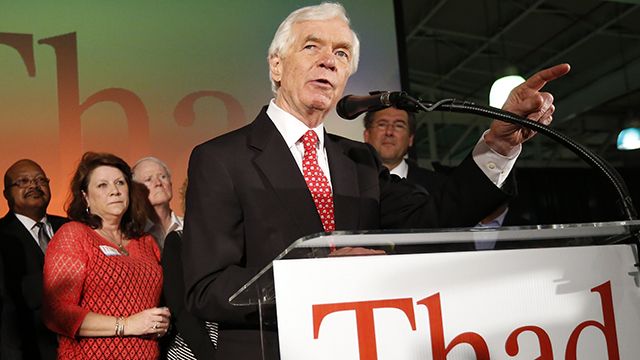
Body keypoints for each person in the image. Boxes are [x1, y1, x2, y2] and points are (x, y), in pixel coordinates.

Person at [182, 3, 570, 358]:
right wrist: (311, 277)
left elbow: (438, 214)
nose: (329, 62)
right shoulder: (221, 159)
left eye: (341, 53)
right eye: (312, 47)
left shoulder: (358, 160)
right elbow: (207, 290)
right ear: (276, 65)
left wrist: (498, 144)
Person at [41, 152, 170, 359]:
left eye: (120, 183)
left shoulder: (146, 242)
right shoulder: (74, 234)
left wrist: (162, 323)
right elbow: (56, 312)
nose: (115, 191)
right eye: (102, 185)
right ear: (85, 196)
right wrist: (127, 325)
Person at [0, 159, 68, 360]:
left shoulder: (72, 228)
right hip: (29, 351)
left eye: (40, 180)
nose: (33, 185)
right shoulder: (2, 236)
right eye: (22, 181)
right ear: (6, 194)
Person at [363, 106, 447, 193]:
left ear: (410, 139)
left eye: (399, 126)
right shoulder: (350, 180)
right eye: (382, 124)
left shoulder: (440, 187)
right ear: (367, 135)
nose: (389, 132)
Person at [132, 157, 183, 251]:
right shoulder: (133, 235)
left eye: (163, 177)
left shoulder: (188, 227)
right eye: (148, 179)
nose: (158, 183)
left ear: (170, 184)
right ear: (136, 191)